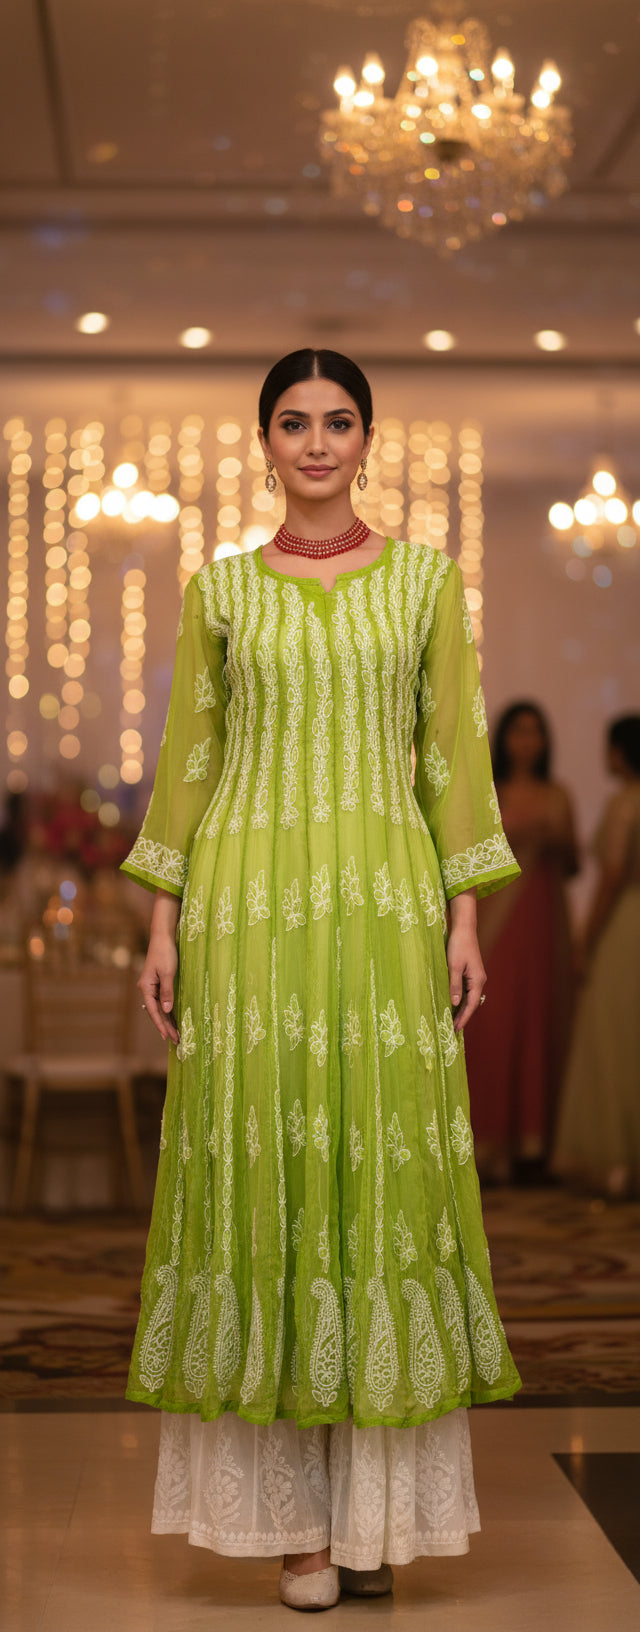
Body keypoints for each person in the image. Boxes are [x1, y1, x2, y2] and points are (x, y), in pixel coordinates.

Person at [122, 348, 522, 1611]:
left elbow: (453, 757)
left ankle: (371, 1520)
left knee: (375, 1175)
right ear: (264, 440)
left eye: (335, 421)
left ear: (366, 437)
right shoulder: (222, 591)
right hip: (245, 907)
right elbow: (188, 759)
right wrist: (161, 926)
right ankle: (295, 1528)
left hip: (386, 903)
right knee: (267, 1180)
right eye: (291, 422)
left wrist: (462, 921)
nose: (313, 442)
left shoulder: (421, 583)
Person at [464, 702, 578, 1184]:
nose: (526, 741)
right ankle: (487, 1147)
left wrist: (550, 838)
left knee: (538, 1022)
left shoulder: (558, 795)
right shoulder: (489, 792)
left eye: (535, 732)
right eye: (518, 732)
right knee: (494, 1024)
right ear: (503, 738)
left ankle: (535, 1148)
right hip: (494, 925)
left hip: (540, 921)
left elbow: (575, 864)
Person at [552, 715, 640, 1198]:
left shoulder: (625, 804)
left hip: (627, 927)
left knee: (615, 1042)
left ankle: (620, 1164)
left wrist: (584, 940)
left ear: (621, 752)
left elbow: (610, 878)